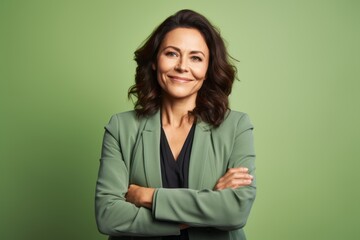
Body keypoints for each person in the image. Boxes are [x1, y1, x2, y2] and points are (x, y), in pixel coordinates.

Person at [95, 9, 256, 240]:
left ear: (208, 69)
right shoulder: (121, 127)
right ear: (154, 62)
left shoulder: (236, 126)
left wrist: (148, 197)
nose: (182, 66)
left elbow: (235, 211)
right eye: (171, 54)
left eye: (196, 57)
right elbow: (108, 215)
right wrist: (208, 203)